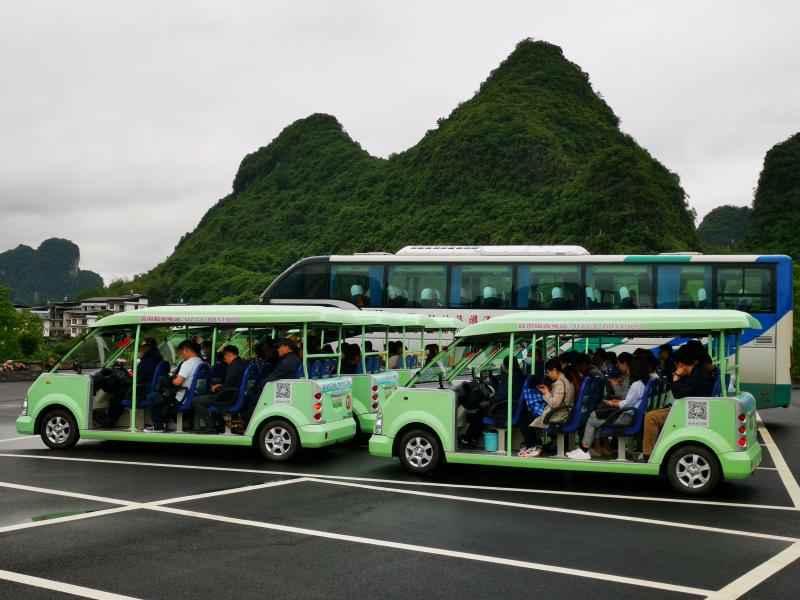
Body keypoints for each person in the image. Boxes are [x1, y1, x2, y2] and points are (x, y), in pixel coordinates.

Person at [639, 346, 714, 461]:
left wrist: (676, 375)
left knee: (650, 417)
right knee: (653, 413)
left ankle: (648, 455)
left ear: (681, 364)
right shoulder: (697, 372)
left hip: (690, 411)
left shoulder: (697, 376)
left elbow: (677, 393)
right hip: (689, 407)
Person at [566, 358, 649, 460]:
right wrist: (617, 402)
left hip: (625, 417)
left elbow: (627, 404)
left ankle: (584, 450)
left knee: (592, 419)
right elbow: (630, 402)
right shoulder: (642, 384)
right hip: (631, 416)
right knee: (594, 416)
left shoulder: (636, 385)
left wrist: (611, 403)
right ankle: (584, 449)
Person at [519, 358, 575, 457]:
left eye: (548, 372)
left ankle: (533, 446)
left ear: (554, 370)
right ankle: (536, 444)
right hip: (564, 412)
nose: (548, 375)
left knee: (524, 418)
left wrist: (546, 393)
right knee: (529, 415)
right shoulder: (567, 380)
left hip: (558, 415)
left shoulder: (559, 383)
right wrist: (548, 391)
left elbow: (554, 404)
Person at [461, 358, 523, 448]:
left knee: (479, 413)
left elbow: (501, 395)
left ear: (507, 365)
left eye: (503, 364)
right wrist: (491, 400)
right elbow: (503, 394)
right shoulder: (517, 376)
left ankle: (467, 440)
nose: (502, 366)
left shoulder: (511, 377)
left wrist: (490, 401)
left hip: (504, 408)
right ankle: (474, 439)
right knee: (482, 411)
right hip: (510, 406)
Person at [145, 340, 203, 432]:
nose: (181, 356)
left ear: (186, 350)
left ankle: (158, 426)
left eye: (181, 353)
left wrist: (170, 379)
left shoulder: (187, 364)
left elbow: (177, 382)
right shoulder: (200, 361)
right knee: (161, 396)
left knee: (152, 397)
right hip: (194, 394)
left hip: (182, 397)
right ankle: (164, 423)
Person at [192, 345, 248, 434]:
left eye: (225, 357)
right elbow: (233, 383)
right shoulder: (243, 364)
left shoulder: (233, 367)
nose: (224, 360)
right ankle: (221, 425)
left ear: (229, 354)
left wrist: (217, 388)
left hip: (229, 397)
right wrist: (220, 386)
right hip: (240, 396)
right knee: (210, 396)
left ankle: (210, 427)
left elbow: (228, 386)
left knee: (196, 400)